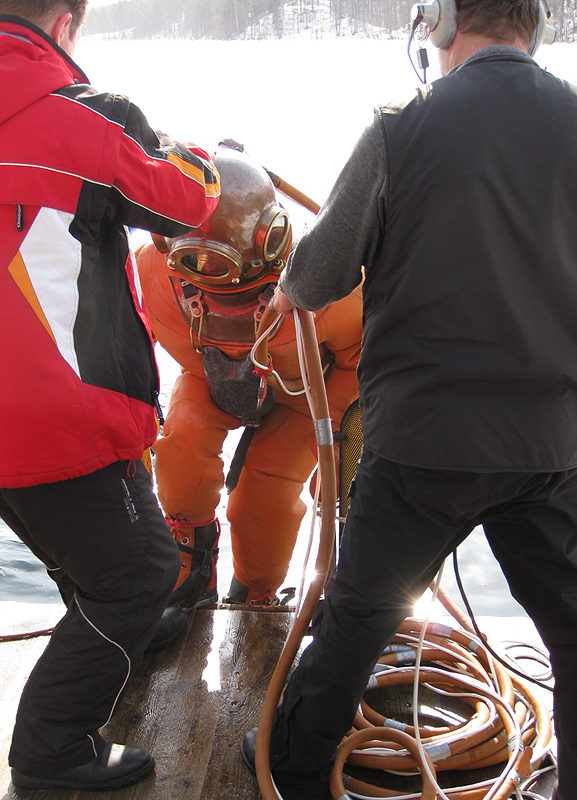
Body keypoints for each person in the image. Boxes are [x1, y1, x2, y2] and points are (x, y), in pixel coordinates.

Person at [239, 1, 577, 798]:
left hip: (423, 443)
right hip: (549, 447)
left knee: (356, 621)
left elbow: (319, 279)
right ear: (537, 27)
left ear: (440, 24)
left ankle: (288, 776)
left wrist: (286, 291)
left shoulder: (400, 129)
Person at [0, 0, 220, 790]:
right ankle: (50, 751)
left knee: (93, 555)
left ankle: (114, 628)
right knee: (139, 572)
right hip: (52, 412)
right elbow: (186, 200)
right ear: (65, 23)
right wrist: (194, 153)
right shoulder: (90, 120)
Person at [136, 142, 362, 606]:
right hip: (207, 379)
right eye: (194, 266)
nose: (207, 279)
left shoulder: (328, 284)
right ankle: (190, 573)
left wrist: (341, 441)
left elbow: (360, 359)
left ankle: (254, 594)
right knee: (180, 451)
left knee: (265, 502)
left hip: (301, 396)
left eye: (221, 266)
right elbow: (131, 343)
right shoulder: (153, 272)